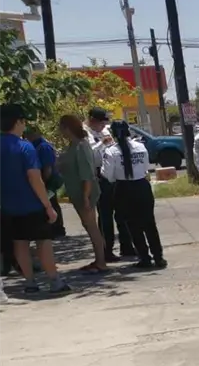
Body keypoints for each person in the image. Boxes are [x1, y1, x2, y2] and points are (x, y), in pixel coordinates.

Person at [0, 104, 70, 294]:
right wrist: (48, 205)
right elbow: (34, 177)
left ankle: (30, 282)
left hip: (7, 205)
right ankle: (54, 281)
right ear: (18, 122)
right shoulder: (25, 147)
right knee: (43, 242)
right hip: (32, 203)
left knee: (19, 242)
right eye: (23, 121)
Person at [103, 121, 166, 269]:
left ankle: (144, 257)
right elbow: (145, 167)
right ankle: (159, 257)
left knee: (133, 226)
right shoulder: (140, 146)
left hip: (123, 189)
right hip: (142, 187)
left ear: (113, 133)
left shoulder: (111, 151)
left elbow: (108, 175)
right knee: (149, 223)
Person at [59, 115, 108, 273]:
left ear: (67, 127)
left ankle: (101, 261)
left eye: (61, 127)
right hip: (77, 193)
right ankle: (98, 260)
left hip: (85, 194)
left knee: (92, 227)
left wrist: (86, 198)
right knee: (88, 226)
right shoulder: (73, 146)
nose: (60, 131)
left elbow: (87, 174)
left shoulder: (82, 145)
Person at [87, 107, 135, 262]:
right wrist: (102, 143)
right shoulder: (85, 133)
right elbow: (89, 155)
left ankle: (126, 246)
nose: (104, 126)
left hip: (115, 172)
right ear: (93, 120)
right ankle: (106, 250)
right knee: (105, 215)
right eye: (102, 122)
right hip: (99, 174)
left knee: (122, 211)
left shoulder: (105, 130)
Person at [22, 126, 66, 238]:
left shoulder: (43, 147)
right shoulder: (35, 146)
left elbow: (47, 168)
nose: (26, 136)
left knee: (51, 202)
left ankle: (57, 228)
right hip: (45, 179)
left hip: (50, 180)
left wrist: (44, 182)